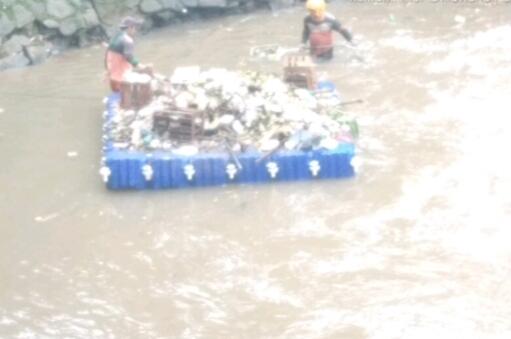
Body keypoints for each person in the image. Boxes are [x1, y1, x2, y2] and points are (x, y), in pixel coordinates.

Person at [105, 16, 149, 92]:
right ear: (130, 27)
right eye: (135, 28)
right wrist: (141, 65)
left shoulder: (115, 37)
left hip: (112, 77)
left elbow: (108, 54)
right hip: (122, 79)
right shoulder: (128, 41)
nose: (135, 30)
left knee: (117, 95)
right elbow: (129, 57)